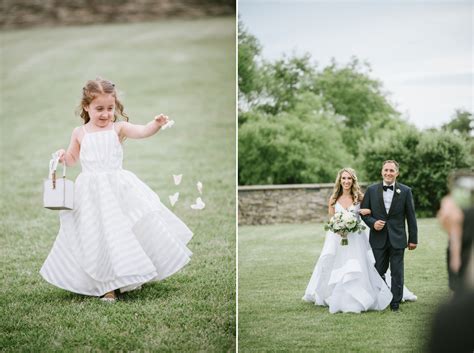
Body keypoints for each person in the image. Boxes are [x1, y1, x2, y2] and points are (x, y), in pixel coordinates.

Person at [40, 78, 193, 302]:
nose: (105, 114)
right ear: (86, 107)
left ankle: (129, 275)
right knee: (97, 236)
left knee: (121, 234)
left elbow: (141, 131)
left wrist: (156, 124)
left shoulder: (118, 128)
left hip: (118, 190)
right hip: (90, 194)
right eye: (99, 109)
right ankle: (106, 286)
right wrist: (64, 156)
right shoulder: (79, 132)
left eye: (110, 109)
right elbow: (73, 159)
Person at [303, 168, 393, 313]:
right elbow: (331, 220)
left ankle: (360, 296)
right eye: (343, 178)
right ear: (340, 180)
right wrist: (338, 228)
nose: (346, 181)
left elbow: (371, 212)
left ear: (353, 181)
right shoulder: (333, 199)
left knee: (360, 265)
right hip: (337, 239)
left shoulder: (360, 197)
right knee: (334, 263)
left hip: (356, 239)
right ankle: (333, 295)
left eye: (349, 178)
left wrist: (367, 211)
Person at [361, 160, 417, 312]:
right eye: (386, 170)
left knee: (397, 272)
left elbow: (411, 217)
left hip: (398, 238)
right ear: (381, 172)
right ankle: (381, 297)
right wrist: (373, 223)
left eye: (392, 170)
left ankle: (395, 302)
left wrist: (413, 239)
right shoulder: (371, 190)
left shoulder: (405, 191)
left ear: (397, 173)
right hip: (378, 238)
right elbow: (364, 212)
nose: (388, 173)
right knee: (378, 270)